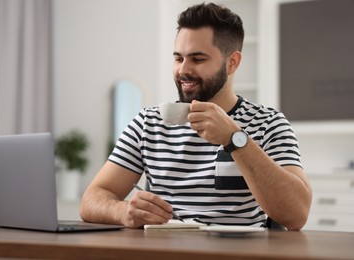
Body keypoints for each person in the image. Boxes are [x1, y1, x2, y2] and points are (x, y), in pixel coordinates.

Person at [80, 2, 312, 231]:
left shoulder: (268, 123)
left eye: (198, 59)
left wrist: (234, 139)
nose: (183, 70)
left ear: (232, 63)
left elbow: (296, 215)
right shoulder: (148, 123)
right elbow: (91, 200)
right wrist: (124, 211)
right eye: (178, 58)